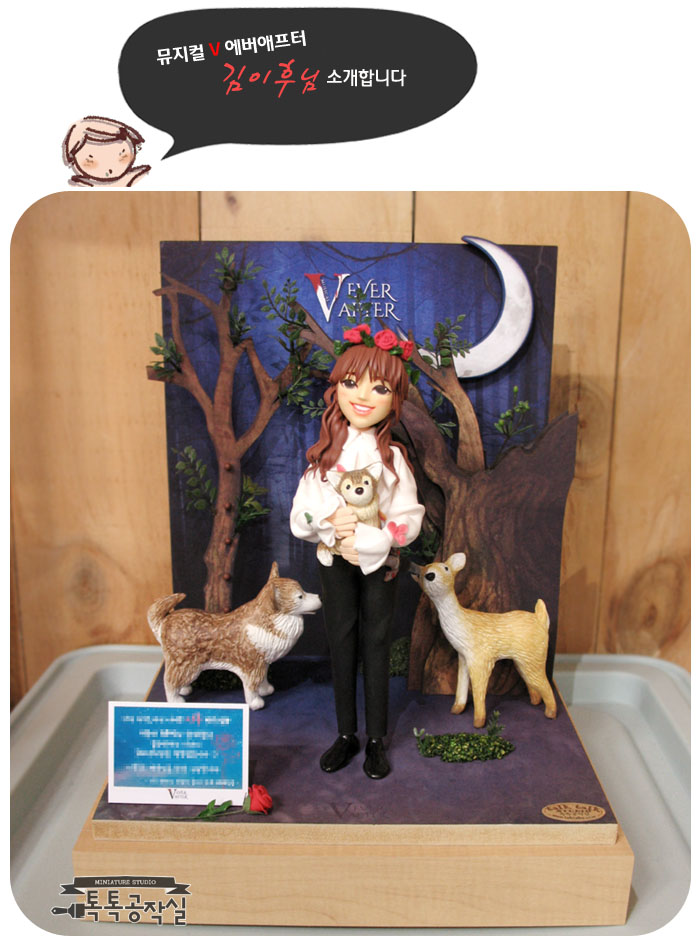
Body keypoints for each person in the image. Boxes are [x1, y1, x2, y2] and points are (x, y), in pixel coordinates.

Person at [290, 325, 424, 779]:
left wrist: (381, 538)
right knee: (341, 641)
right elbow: (300, 516)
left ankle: (377, 738)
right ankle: (346, 733)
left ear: (395, 400)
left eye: (380, 388)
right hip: (334, 564)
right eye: (352, 383)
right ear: (337, 390)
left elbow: (409, 517)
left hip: (380, 566)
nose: (363, 396)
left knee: (377, 643)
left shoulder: (393, 460)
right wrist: (328, 521)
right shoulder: (323, 457)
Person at [62, 116, 151, 187]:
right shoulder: (79, 186)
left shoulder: (137, 177)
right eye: (90, 162)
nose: (110, 169)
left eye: (122, 157)